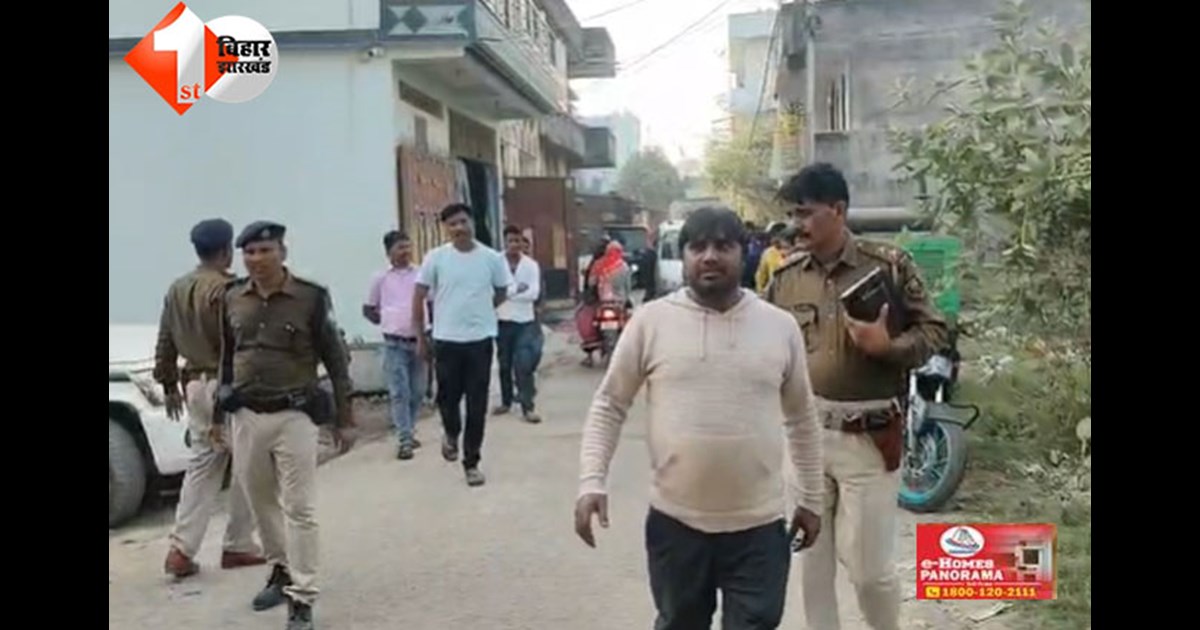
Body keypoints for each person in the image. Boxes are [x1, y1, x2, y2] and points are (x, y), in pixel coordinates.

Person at [574, 207, 825, 630]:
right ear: (685, 255)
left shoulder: (779, 327)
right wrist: (591, 481)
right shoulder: (651, 322)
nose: (710, 256)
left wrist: (812, 498)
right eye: (698, 247)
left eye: (723, 246)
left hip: (759, 528)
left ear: (743, 253)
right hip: (677, 526)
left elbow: (801, 418)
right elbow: (609, 405)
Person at [767, 163, 947, 630]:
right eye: (792, 214)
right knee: (812, 566)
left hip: (869, 437)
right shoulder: (784, 278)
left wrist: (889, 347)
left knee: (869, 572)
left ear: (838, 209)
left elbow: (935, 331)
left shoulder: (888, 266)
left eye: (806, 213)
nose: (797, 225)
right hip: (804, 436)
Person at [216, 220, 355, 630]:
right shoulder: (231, 297)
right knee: (260, 501)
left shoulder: (310, 297)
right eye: (250, 253)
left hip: (295, 414)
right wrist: (219, 416)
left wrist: (344, 419)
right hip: (247, 415)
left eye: (266, 251)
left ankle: (303, 596)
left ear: (283, 253)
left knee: (300, 508)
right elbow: (227, 357)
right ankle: (280, 569)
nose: (257, 259)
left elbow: (335, 360)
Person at [155, 219, 264, 579]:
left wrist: (168, 383)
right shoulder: (228, 289)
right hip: (226, 385)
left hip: (193, 384)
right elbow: (237, 345)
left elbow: (166, 339)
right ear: (226, 250)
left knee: (202, 465)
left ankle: (181, 549)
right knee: (249, 461)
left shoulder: (177, 288)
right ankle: (239, 543)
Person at [412, 203, 512, 487]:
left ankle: (472, 462)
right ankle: (451, 433)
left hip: (480, 341)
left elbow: (501, 291)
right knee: (447, 398)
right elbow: (418, 296)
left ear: (472, 223)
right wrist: (420, 337)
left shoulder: (491, 258)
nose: (459, 228)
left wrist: (481, 310)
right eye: (453, 224)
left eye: (463, 222)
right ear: (446, 228)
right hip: (446, 340)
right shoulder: (436, 258)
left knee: (477, 404)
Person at [363, 230, 425, 460]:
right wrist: (389, 320)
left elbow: (432, 303)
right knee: (400, 392)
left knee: (418, 391)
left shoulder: (421, 274)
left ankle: (410, 428)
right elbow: (368, 309)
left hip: (418, 341)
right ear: (388, 252)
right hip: (394, 343)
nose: (405, 252)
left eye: (408, 246)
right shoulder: (380, 278)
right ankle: (404, 439)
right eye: (400, 247)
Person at [493, 225, 544, 424]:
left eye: (517, 241)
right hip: (502, 319)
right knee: (504, 363)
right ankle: (506, 401)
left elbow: (533, 293)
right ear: (505, 242)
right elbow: (493, 292)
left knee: (523, 364)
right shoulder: (496, 263)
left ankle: (528, 407)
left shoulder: (531, 265)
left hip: (525, 321)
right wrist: (517, 290)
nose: (514, 245)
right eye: (510, 241)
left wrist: (508, 293)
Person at [576, 238, 611, 367]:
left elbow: (590, 283)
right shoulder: (616, 262)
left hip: (597, 300)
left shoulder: (595, 263)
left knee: (584, 321)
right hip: (612, 300)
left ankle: (591, 356)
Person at [755, 222, 790, 293]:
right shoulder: (768, 253)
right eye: (771, 236)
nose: (773, 239)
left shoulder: (795, 253)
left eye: (775, 236)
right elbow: (760, 277)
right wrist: (761, 292)